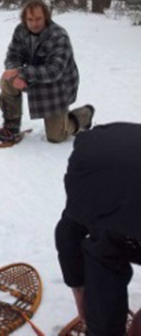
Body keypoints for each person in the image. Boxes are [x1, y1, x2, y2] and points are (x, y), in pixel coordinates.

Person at [55, 123, 141, 335]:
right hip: (114, 215)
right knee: (103, 251)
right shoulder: (92, 187)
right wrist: (79, 287)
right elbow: (69, 231)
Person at [0, 0, 94, 143]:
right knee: (7, 80)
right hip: (32, 77)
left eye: (38, 19)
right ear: (24, 19)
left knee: (56, 137)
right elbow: (13, 55)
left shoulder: (59, 36)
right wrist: (15, 73)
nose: (34, 23)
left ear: (46, 17)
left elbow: (54, 71)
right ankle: (11, 126)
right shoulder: (20, 30)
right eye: (30, 19)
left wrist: (22, 73)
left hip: (57, 85)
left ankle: (85, 114)